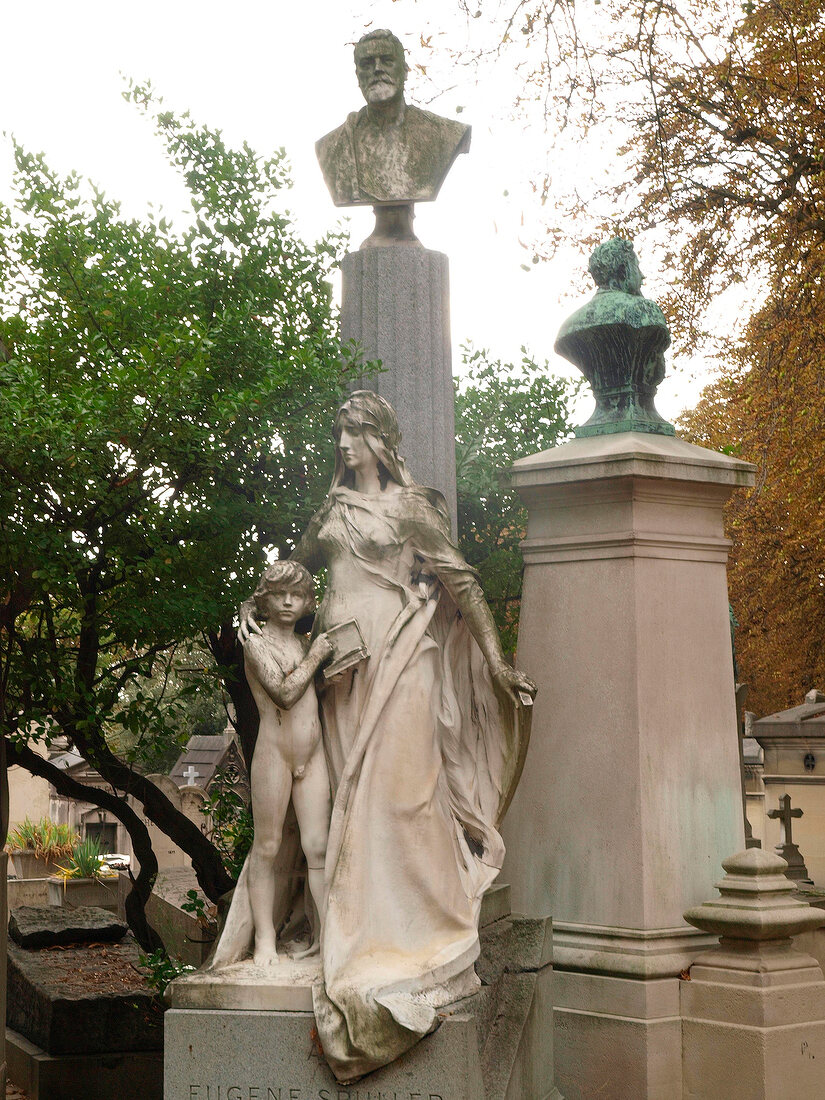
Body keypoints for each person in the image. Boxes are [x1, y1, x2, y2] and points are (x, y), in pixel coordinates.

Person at [240, 391, 535, 1082]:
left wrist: (494, 660)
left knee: (404, 795)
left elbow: (461, 584)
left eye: (356, 432)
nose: (344, 444)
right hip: (342, 667)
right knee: (350, 802)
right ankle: (347, 925)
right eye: (339, 431)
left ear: (382, 439)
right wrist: (254, 622)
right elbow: (292, 575)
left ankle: (417, 927)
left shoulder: (411, 509)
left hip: (404, 657)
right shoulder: (332, 511)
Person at [209, 562, 332, 970]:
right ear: (265, 599)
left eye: (296, 595)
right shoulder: (256, 643)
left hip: (311, 755)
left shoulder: (302, 642)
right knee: (267, 846)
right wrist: (317, 655)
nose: (287, 602)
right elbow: (283, 692)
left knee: (318, 847)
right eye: (279, 594)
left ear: (306, 602)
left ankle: (329, 937)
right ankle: (263, 938)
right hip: (274, 754)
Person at [316, 29, 471, 207]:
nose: (377, 69)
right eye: (366, 64)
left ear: (405, 72)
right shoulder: (332, 146)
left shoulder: (445, 134)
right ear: (358, 77)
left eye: (387, 61)